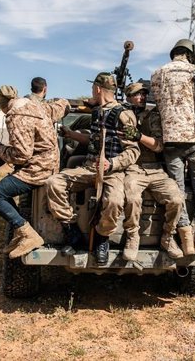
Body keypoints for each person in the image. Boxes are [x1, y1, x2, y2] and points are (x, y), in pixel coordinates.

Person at [46, 72, 139, 266]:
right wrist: (71, 134)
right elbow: (93, 141)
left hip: (113, 171)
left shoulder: (124, 114)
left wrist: (112, 164)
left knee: (114, 201)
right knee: (54, 182)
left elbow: (133, 151)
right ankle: (72, 231)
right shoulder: (97, 112)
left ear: (97, 89)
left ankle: (102, 238)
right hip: (89, 167)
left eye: (92, 89)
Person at [150, 39, 195, 255]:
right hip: (193, 139)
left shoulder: (158, 73)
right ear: (190, 54)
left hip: (170, 140)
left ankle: (186, 241)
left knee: (177, 188)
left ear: (173, 53)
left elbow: (157, 100)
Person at [0, 83, 70, 260]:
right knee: (5, 191)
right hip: (50, 164)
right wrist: (67, 102)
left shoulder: (15, 116)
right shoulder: (36, 106)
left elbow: (22, 155)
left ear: (0, 103)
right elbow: (60, 106)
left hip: (38, 169)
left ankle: (28, 234)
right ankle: (21, 231)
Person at [121, 82, 184, 261]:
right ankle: (133, 237)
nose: (140, 97)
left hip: (156, 169)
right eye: (136, 94)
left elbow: (158, 146)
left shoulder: (153, 115)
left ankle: (167, 237)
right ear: (128, 97)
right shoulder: (121, 114)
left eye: (143, 94)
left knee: (177, 199)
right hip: (133, 168)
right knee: (132, 198)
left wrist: (139, 136)